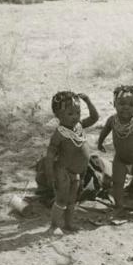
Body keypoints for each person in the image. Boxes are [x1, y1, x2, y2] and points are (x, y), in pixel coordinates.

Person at [97, 85, 133, 222]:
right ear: (114, 104)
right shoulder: (112, 120)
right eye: (121, 103)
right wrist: (100, 142)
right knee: (117, 184)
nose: (126, 107)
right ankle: (119, 207)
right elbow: (105, 131)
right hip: (120, 159)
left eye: (131, 104)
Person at [42, 92, 99, 234]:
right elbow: (50, 155)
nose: (75, 116)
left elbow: (94, 118)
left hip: (77, 172)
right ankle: (54, 226)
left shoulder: (79, 126)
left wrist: (88, 101)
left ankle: (68, 223)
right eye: (70, 114)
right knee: (62, 199)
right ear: (58, 116)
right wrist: (50, 174)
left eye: (78, 112)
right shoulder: (60, 134)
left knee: (73, 199)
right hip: (63, 171)